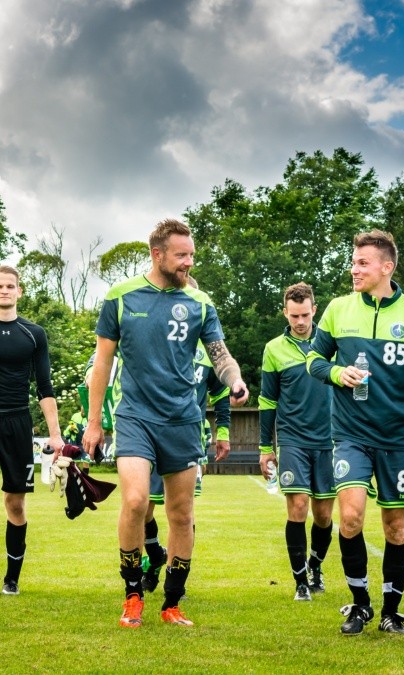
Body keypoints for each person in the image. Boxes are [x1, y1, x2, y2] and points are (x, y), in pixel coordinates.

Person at [83, 218, 249, 629]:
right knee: (137, 501)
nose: (188, 262)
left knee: (180, 512)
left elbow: (219, 354)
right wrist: (93, 422)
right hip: (136, 416)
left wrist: (236, 379)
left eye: (191, 254)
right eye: (181, 255)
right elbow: (102, 362)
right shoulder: (120, 297)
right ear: (157, 255)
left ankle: (172, 602)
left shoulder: (201, 302)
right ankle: (133, 594)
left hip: (182, 420)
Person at [306, 230, 404, 636]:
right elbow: (313, 358)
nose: (354, 269)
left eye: (363, 262)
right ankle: (360, 605)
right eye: (353, 261)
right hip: (350, 432)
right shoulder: (336, 310)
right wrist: (335, 372)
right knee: (349, 517)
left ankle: (391, 610)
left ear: (387, 267)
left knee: (396, 527)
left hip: (399, 437)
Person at [0, 265, 65, 597]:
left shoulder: (33, 334)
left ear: (19, 291)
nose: (5, 290)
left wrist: (55, 435)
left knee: (16, 504)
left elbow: (45, 386)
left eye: (11, 285)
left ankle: (12, 577)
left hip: (19, 425)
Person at [259, 281, 335, 602]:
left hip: (330, 441)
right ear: (285, 312)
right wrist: (266, 448)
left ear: (314, 310)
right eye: (294, 316)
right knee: (298, 507)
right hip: (292, 439)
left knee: (324, 515)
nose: (300, 321)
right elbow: (267, 401)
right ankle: (301, 582)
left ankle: (315, 565)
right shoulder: (273, 349)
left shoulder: (332, 344)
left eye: (305, 314)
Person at [143, 338, 231, 594]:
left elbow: (221, 392)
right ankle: (155, 554)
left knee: (182, 510)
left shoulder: (209, 352)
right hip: (149, 433)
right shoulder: (160, 341)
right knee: (142, 506)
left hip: (189, 438)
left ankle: (175, 575)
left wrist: (223, 432)